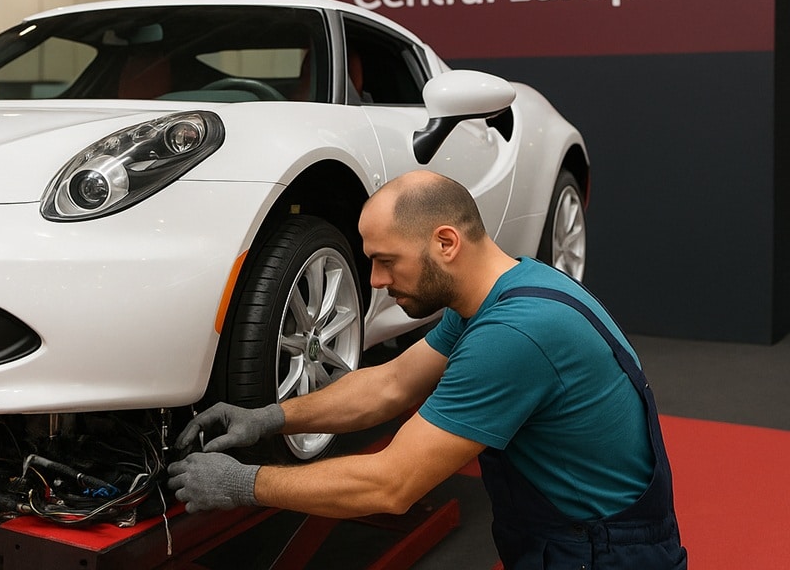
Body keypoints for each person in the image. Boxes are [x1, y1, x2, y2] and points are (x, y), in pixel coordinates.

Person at [167, 170, 686, 569]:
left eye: (387, 260)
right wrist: (269, 417)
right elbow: (391, 384)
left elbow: (392, 485)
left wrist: (246, 485)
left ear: (445, 242)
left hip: (602, 555)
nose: (373, 280)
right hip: (578, 539)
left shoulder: (514, 334)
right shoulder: (506, 290)